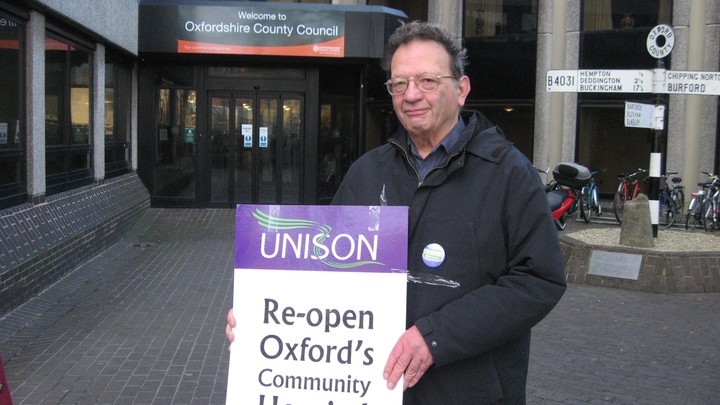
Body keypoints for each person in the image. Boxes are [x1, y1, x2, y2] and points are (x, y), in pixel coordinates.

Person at [227, 20, 566, 404]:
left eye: (427, 81)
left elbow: (538, 280)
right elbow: (321, 273)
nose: (411, 95)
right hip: (373, 388)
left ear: (461, 89)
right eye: (399, 84)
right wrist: (267, 315)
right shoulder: (366, 172)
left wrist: (436, 337)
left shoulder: (508, 173)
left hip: (469, 391)